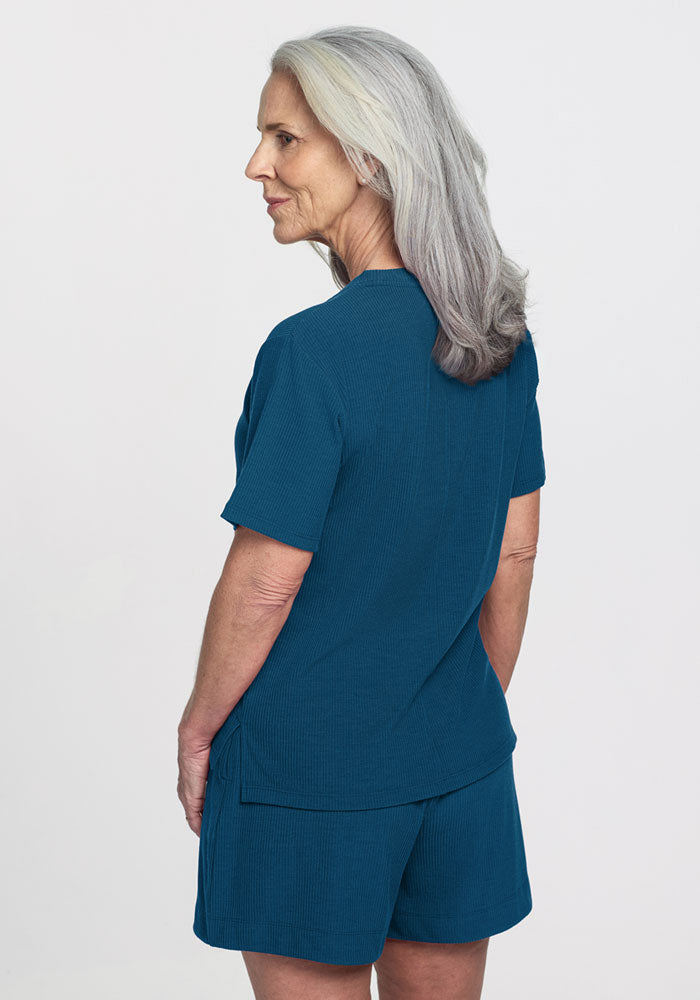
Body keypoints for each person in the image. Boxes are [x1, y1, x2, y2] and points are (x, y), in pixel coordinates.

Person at [177, 25, 546, 1000]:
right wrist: (446, 711)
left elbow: (264, 582)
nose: (257, 164)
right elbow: (514, 556)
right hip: (460, 765)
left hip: (308, 776)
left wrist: (198, 728)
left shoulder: (313, 352)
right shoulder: (495, 337)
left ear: (368, 150)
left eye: (285, 138)